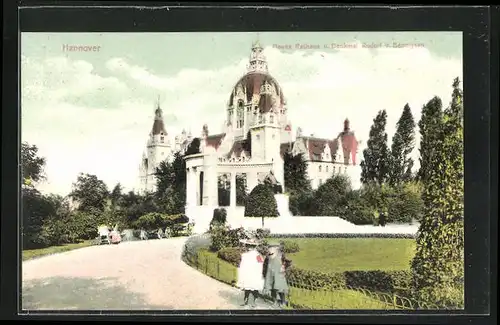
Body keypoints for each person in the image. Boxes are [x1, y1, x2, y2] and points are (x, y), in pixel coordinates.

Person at [236, 238, 265, 308]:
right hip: (247, 274)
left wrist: (258, 273)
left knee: (254, 288)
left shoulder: (257, 255)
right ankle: (246, 301)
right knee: (247, 288)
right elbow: (242, 265)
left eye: (251, 246)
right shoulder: (245, 255)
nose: (249, 247)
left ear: (254, 247)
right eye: (248, 245)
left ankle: (254, 302)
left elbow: (260, 264)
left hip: (254, 274)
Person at [263, 241, 290, 308]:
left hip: (279, 274)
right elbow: (265, 265)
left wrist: (284, 267)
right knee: (273, 289)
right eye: (270, 247)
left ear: (276, 248)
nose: (271, 249)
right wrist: (264, 273)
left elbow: (288, 262)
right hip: (270, 274)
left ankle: (283, 302)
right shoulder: (268, 256)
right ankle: (275, 302)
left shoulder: (281, 255)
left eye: (273, 247)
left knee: (280, 288)